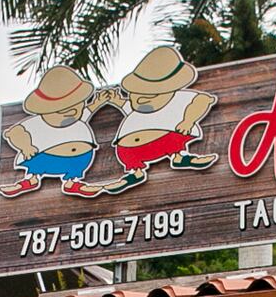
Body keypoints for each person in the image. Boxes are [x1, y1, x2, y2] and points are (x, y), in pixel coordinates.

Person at [88, 45, 219, 196]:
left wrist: (188, 121)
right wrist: (115, 100)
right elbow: (124, 105)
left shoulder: (177, 98)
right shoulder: (137, 107)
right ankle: (135, 173)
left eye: (149, 93)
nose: (139, 100)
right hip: (131, 149)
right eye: (135, 94)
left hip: (166, 139)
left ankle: (179, 157)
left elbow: (203, 99)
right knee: (128, 155)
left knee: (175, 140)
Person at [1, 66, 100, 196]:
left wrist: (101, 100)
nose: (71, 112)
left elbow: (92, 107)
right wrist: (26, 147)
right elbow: (14, 132)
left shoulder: (80, 117)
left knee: (77, 167)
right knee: (36, 165)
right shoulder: (37, 122)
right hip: (47, 158)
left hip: (78, 158)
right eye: (61, 108)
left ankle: (72, 182)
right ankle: (32, 179)